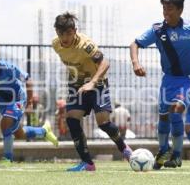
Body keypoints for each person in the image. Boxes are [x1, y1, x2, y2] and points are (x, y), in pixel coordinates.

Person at [130, 0, 190, 169]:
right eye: (164, 8)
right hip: (169, 80)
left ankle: (177, 155)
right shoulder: (157, 30)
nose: (166, 12)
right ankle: (164, 150)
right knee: (164, 116)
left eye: (170, 8)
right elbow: (134, 44)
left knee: (176, 109)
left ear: (180, 10)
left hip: (188, 79)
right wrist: (136, 63)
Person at [52, 12, 132, 171]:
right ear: (57, 32)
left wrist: (92, 82)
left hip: (97, 84)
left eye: (69, 33)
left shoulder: (86, 45)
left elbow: (105, 63)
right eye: (61, 33)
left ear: (75, 31)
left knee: (103, 123)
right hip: (76, 85)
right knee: (72, 119)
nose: (65, 37)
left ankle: (125, 149)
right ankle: (87, 163)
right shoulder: (56, 45)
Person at [0, 43, 58, 163]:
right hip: (3, 104)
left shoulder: (9, 68)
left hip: (18, 99)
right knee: (19, 134)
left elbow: (28, 79)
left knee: (4, 124)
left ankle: (8, 159)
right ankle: (44, 131)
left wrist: (29, 103)